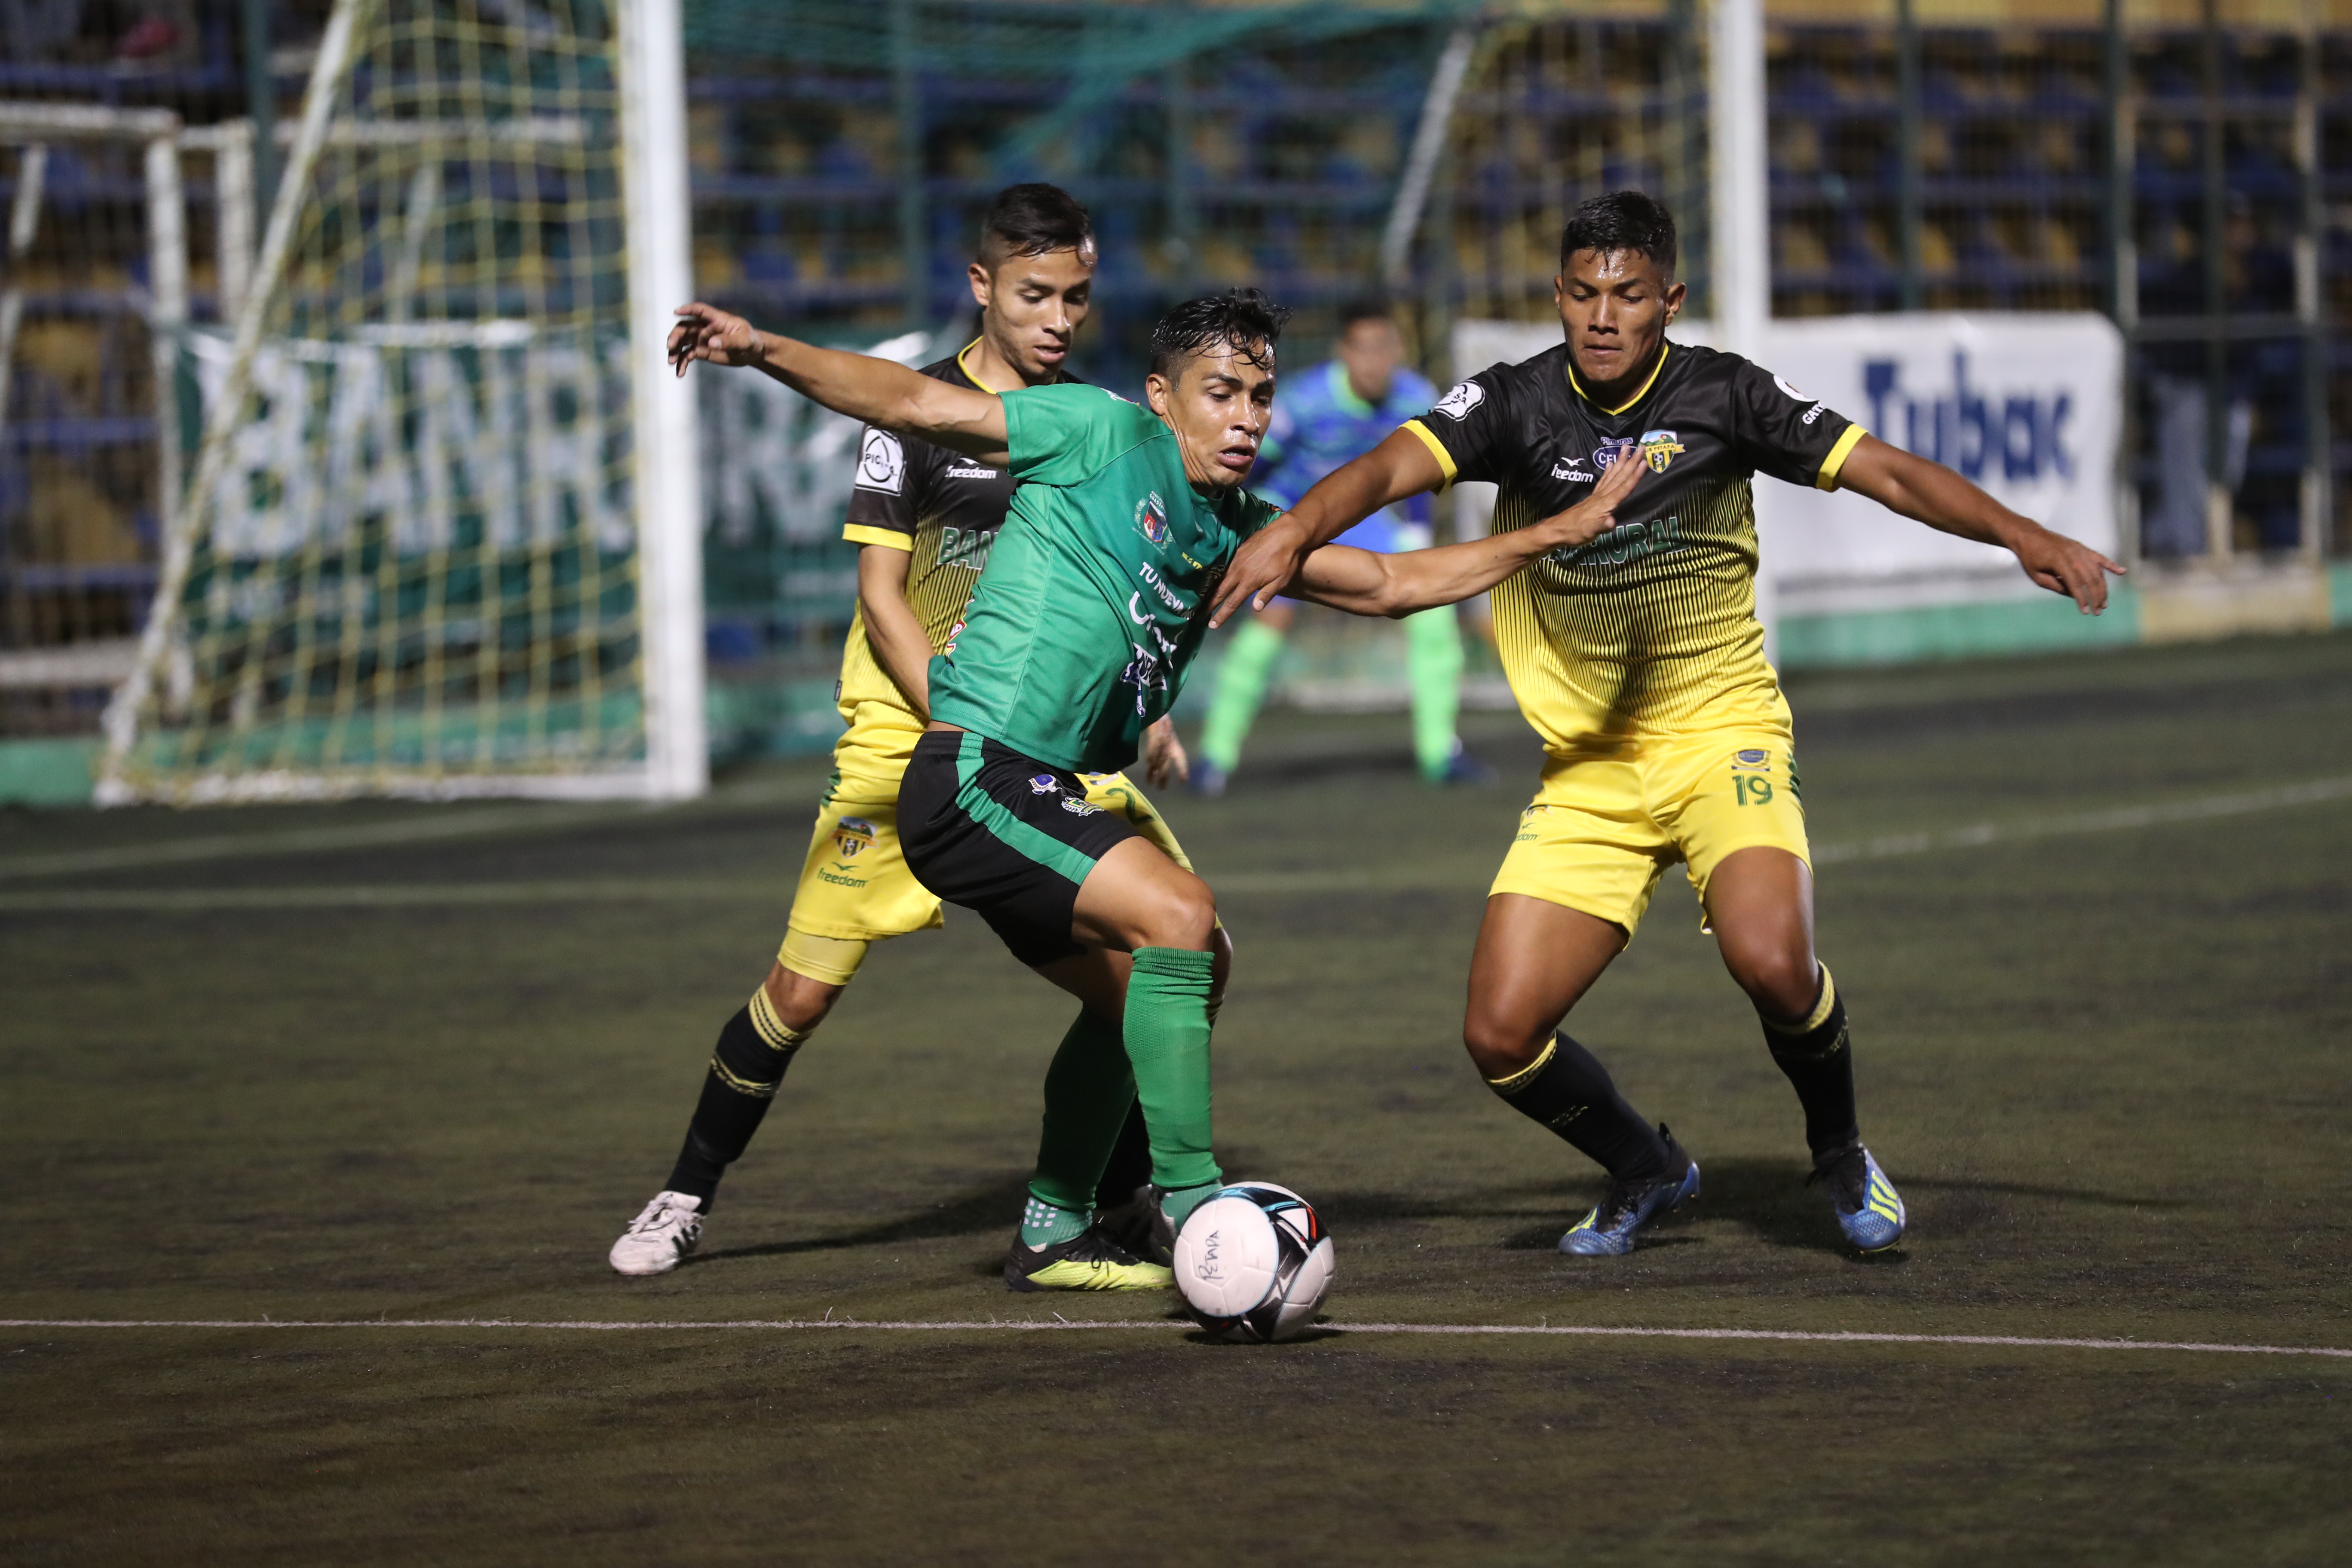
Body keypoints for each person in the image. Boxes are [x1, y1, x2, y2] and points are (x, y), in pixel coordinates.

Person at [664, 285, 1651, 1290]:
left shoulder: (1236, 528)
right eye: (1220, 393)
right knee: (1179, 914)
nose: (1246, 418)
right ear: (1162, 395)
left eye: (1260, 397)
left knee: (1163, 979)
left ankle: (1052, 1229)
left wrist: (1551, 535)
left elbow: (1392, 585)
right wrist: (759, 346)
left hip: (1038, 786)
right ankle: (1192, 1206)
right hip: (972, 772)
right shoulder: (1096, 431)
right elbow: (912, 403)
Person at [1210, 190, 2122, 1258]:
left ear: (1669, 300)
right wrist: (1294, 530)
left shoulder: (1724, 394)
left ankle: (1837, 1150)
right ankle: (1647, 1168)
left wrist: (2020, 533)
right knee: (1500, 1033)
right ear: (1558, 295)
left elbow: (1884, 470)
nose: (1603, 317)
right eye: (1583, 293)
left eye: (1629, 295)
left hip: (1719, 732)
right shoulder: (1512, 402)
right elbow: (1383, 468)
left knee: (1772, 962)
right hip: (1588, 767)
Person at [607, 184, 1202, 1277]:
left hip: (1039, 747)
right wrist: (966, 727)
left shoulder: (1095, 421)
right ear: (981, 285)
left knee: (1154, 971)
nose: (1057, 319)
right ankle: (684, 1194)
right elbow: (884, 602)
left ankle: (1109, 1201)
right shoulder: (916, 415)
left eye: (1074, 297)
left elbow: (1117, 585)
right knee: (799, 994)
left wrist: (1146, 707)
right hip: (908, 746)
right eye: (1033, 294)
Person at [1193, 297, 1489, 794]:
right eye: (1362, 349)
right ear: (1343, 352)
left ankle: (1441, 752)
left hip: (1363, 520)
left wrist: (1416, 529)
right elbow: (1256, 464)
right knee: (1270, 623)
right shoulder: (1306, 402)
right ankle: (1213, 759)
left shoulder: (1415, 396)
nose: (1373, 361)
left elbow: (1425, 469)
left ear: (1398, 350)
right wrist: (1241, 525)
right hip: (1291, 515)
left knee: (1432, 609)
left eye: (1383, 348)